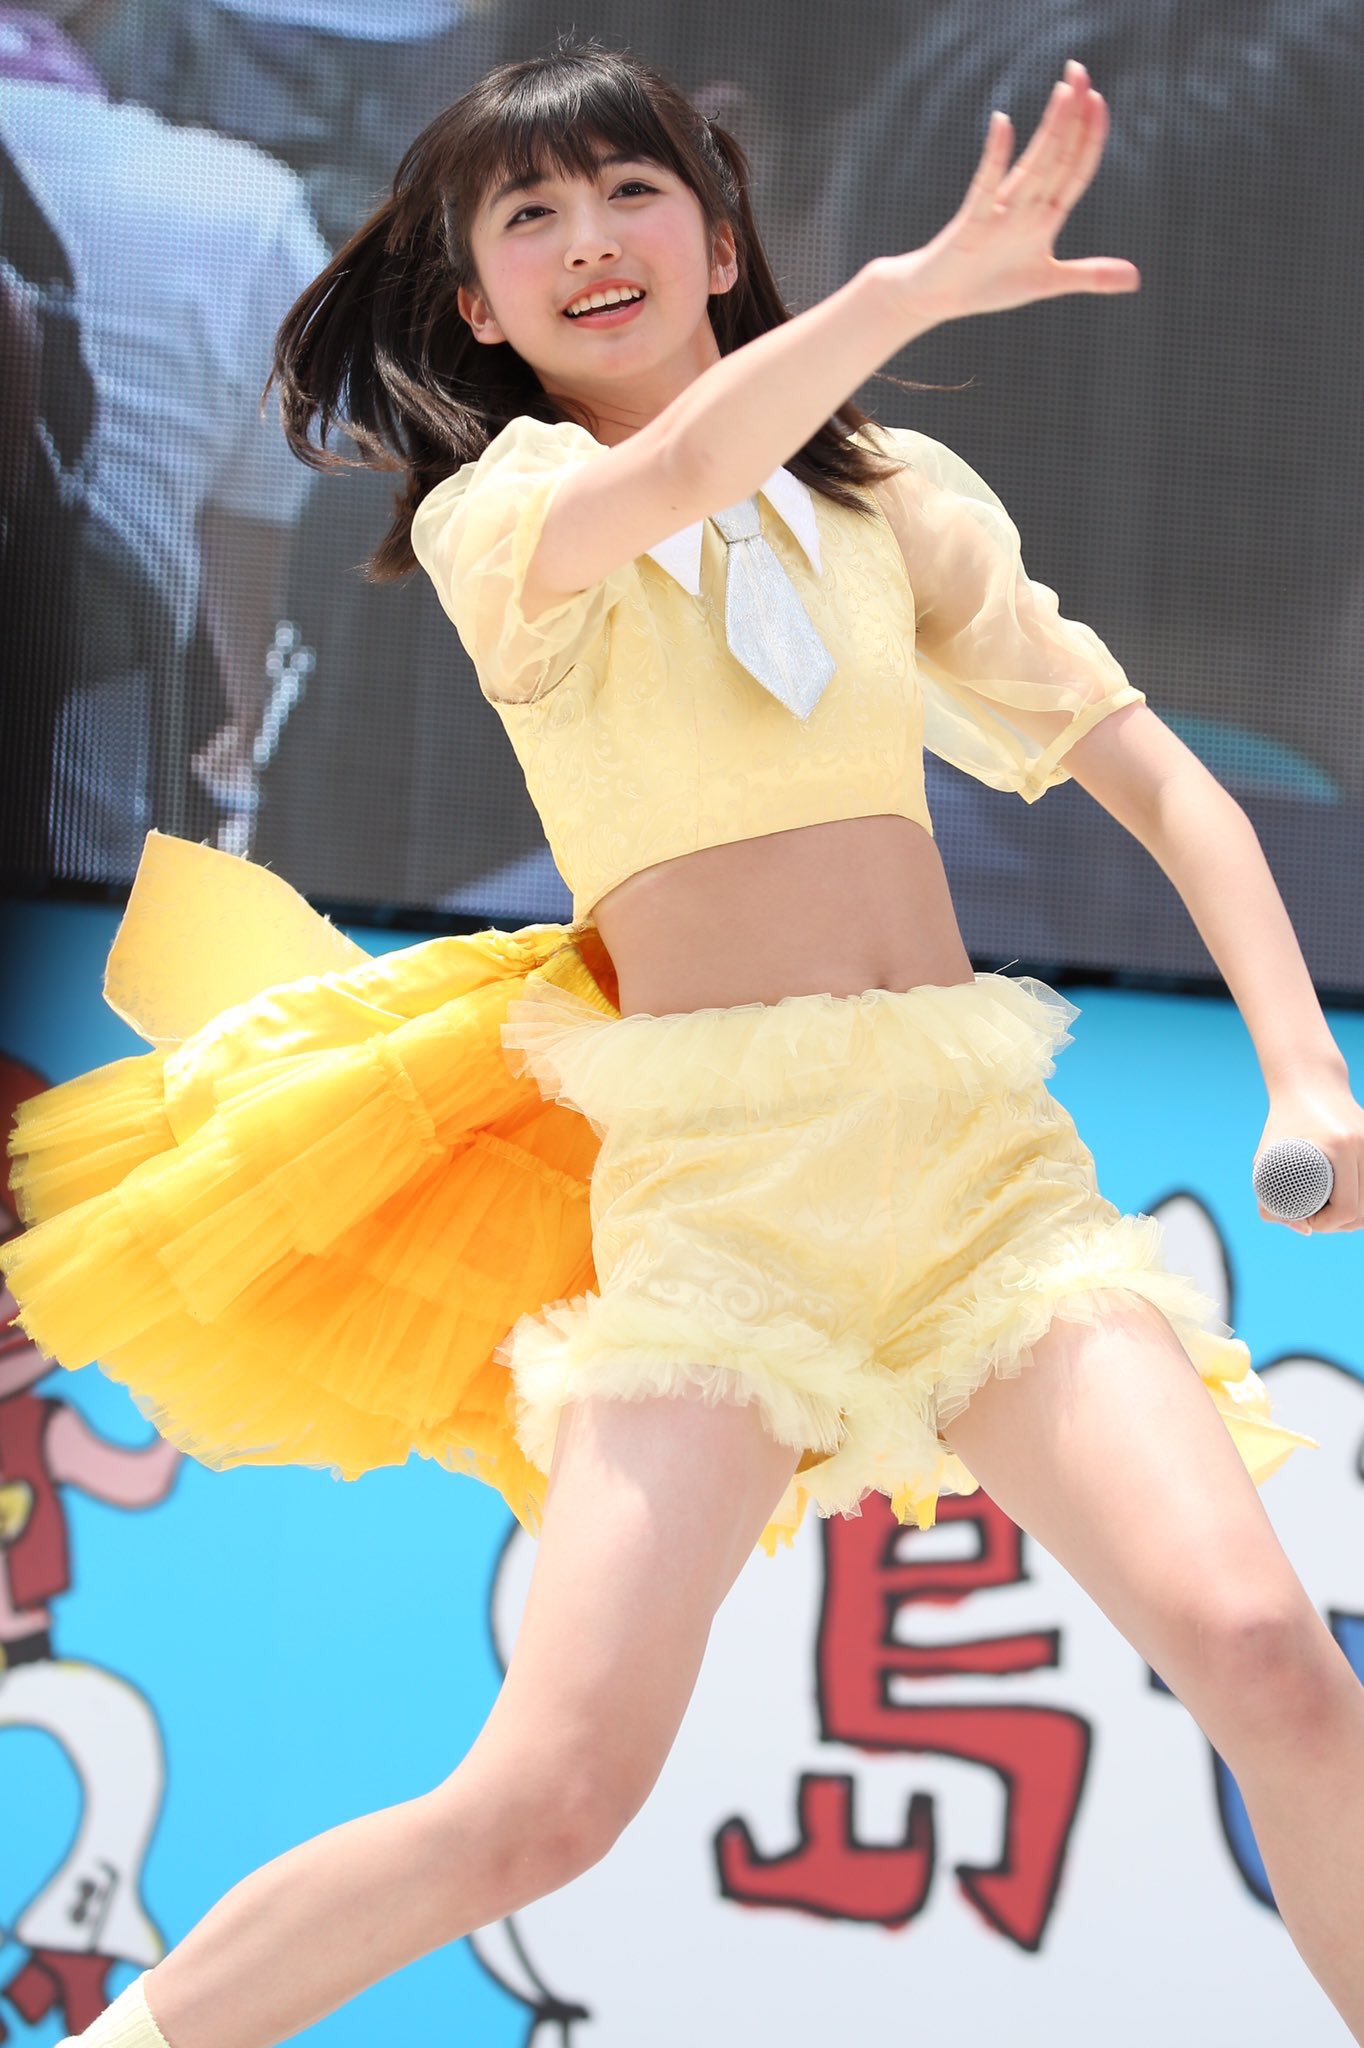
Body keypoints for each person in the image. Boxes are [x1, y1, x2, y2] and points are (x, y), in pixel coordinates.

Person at [3, 40, 1363, 2048]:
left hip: (978, 1181)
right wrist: (904, 293)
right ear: (477, 305)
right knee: (543, 1805)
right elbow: (682, 476)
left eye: (631, 190)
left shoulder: (894, 503)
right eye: (528, 216)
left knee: (1270, 1657)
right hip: (718, 1217)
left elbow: (1157, 778)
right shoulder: (509, 514)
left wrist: (1305, 1063)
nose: (589, 238)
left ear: (721, 239)